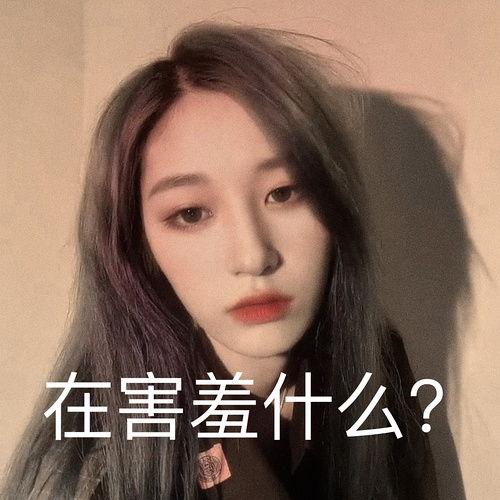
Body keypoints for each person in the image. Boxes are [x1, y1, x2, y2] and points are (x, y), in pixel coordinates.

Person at [2, 22, 438, 499]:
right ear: (138, 245)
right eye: (191, 213)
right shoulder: (108, 469)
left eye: (284, 192)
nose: (254, 256)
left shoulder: (376, 369)